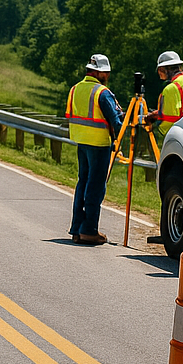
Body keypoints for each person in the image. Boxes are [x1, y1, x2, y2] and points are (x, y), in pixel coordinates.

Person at [65, 54, 123, 245]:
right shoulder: (102, 92)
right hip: (99, 144)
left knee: (83, 183)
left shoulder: (75, 89)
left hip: (81, 141)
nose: (107, 75)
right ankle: (89, 230)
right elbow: (116, 121)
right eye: (105, 72)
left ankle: (77, 229)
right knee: (95, 186)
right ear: (98, 72)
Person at [143, 50, 183, 141]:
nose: (159, 73)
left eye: (160, 70)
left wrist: (152, 117)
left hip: (177, 135)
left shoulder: (171, 89)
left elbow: (167, 117)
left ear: (164, 69)